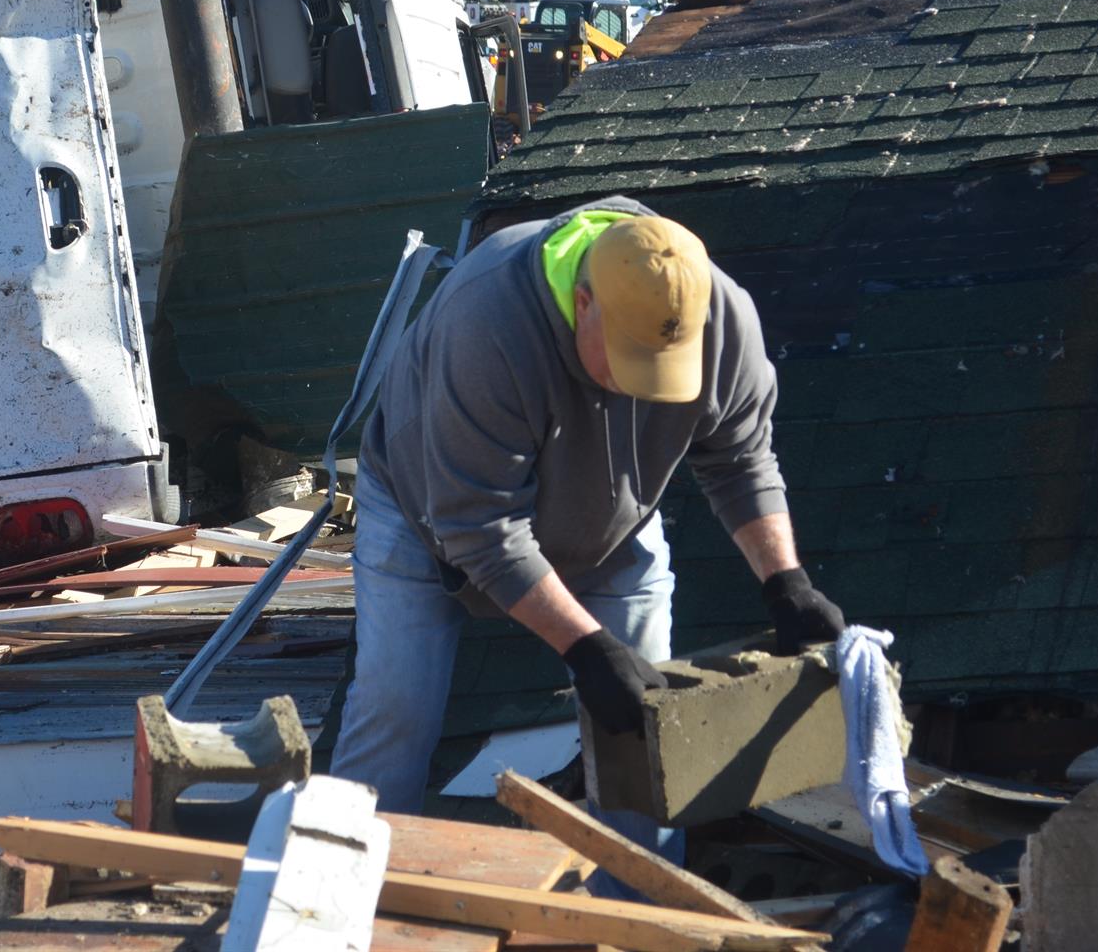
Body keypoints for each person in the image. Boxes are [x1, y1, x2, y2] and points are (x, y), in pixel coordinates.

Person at [329, 199, 845, 882]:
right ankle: (337, 902)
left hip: (611, 519)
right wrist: (586, 647)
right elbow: (482, 531)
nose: (644, 383)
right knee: (395, 711)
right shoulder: (488, 324)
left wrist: (786, 581)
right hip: (426, 513)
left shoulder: (722, 316)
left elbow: (741, 459)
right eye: (629, 357)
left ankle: (640, 915)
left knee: (646, 727)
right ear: (582, 302)